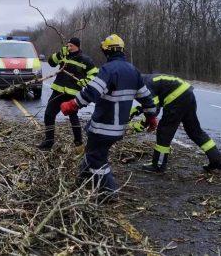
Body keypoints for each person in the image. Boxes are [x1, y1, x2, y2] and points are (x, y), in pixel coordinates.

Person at [60, 34, 158, 195]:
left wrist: (72, 105)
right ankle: (81, 180)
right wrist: (151, 117)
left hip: (103, 126)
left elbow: (92, 91)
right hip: (118, 128)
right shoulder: (133, 71)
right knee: (92, 152)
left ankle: (108, 192)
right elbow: (146, 98)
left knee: (97, 159)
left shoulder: (108, 70)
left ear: (106, 51)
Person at [130, 74, 221, 173]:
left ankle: (158, 165)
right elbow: (150, 104)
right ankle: (216, 160)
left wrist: (142, 124)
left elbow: (153, 108)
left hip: (175, 98)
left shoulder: (143, 86)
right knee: (194, 130)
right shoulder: (144, 80)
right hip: (187, 94)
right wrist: (138, 111)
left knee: (164, 131)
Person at [37, 37, 98, 151]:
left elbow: (94, 74)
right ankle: (49, 141)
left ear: (77, 46)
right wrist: (60, 53)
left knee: (73, 117)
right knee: (49, 115)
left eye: (71, 46)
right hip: (58, 91)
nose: (68, 47)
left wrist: (85, 81)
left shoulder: (85, 60)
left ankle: (78, 143)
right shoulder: (64, 55)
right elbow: (51, 62)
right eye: (68, 45)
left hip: (71, 94)